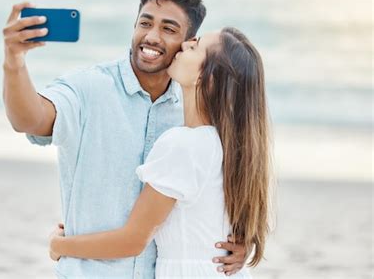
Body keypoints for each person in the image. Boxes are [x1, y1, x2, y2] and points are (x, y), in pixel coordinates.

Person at [2, 0, 249, 278]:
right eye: (145, 23)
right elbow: (29, 119)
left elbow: (225, 189)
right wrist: (14, 62)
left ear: (188, 43)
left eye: (169, 29)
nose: (152, 36)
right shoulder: (89, 87)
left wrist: (241, 242)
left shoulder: (196, 118)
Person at [48, 27, 270, 278]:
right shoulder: (226, 143)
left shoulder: (183, 144)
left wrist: (60, 246)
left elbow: (132, 241)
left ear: (206, 78)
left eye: (194, 47)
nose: (185, 45)